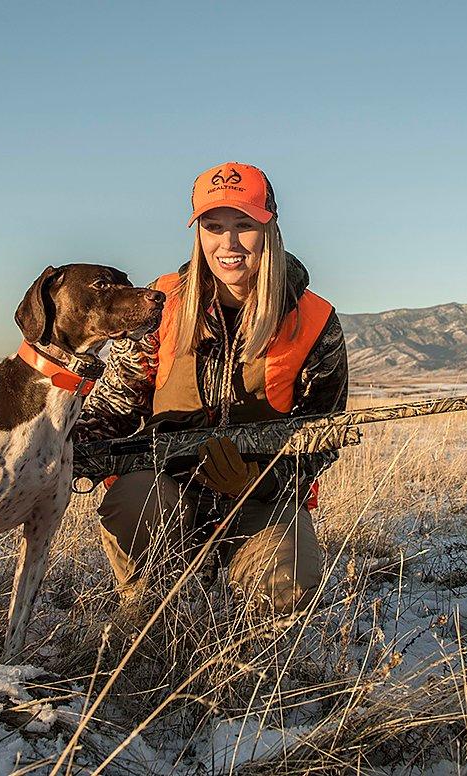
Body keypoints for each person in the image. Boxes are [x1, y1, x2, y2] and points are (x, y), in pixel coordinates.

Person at [73, 161, 348, 614]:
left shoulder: (314, 320)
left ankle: (245, 614)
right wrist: (48, 456)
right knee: (131, 504)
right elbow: (111, 410)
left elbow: (322, 437)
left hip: (262, 500)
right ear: (198, 233)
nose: (228, 242)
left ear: (270, 228)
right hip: (167, 490)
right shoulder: (160, 304)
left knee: (289, 584)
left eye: (244, 225)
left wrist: (257, 482)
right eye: (213, 225)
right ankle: (150, 603)